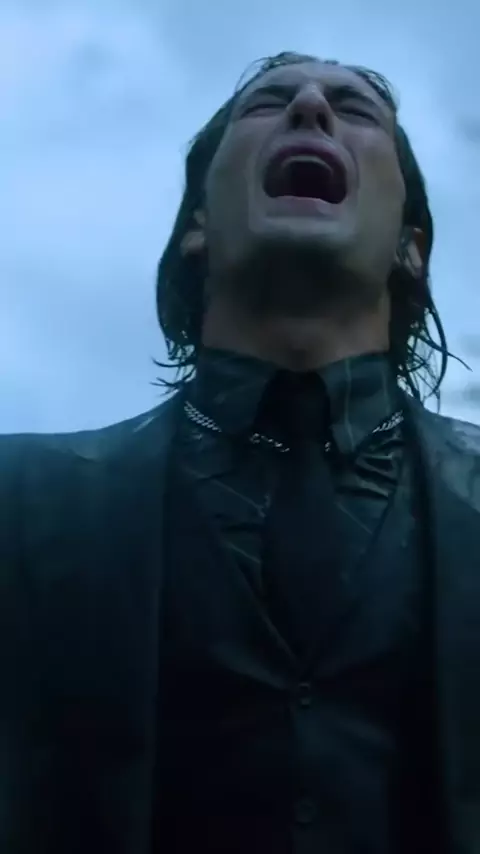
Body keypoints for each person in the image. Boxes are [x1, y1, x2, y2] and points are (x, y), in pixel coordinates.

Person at [1, 49, 479, 854]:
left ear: (411, 248)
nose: (310, 108)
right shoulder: (19, 500)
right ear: (197, 225)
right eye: (269, 102)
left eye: (354, 110)